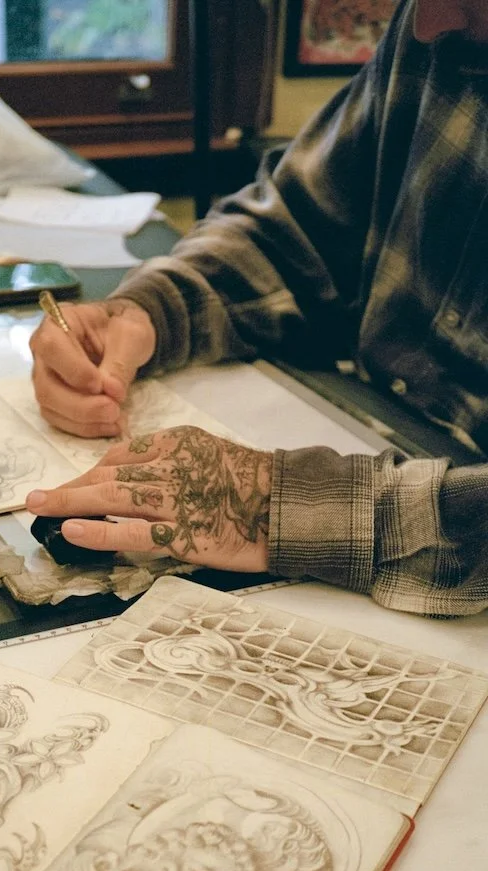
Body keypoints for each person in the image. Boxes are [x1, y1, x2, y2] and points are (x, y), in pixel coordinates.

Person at [26, 0, 488, 617]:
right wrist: (151, 313)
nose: (428, 24)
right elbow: (298, 234)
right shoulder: (440, 26)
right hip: (369, 418)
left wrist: (305, 507)